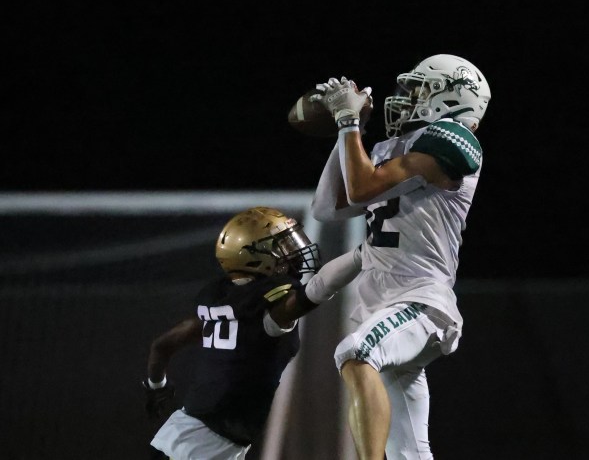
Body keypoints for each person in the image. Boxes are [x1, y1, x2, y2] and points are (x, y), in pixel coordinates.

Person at [309, 54, 492, 460]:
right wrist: (346, 132)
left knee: (356, 353)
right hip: (384, 305)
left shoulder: (452, 139)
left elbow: (359, 190)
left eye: (418, 91)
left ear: (452, 99)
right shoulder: (391, 148)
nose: (404, 99)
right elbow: (329, 207)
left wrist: (347, 122)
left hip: (421, 301)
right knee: (412, 452)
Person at [142, 206, 361, 460]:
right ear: (253, 256)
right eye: (282, 246)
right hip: (205, 447)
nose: (293, 252)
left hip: (184, 434)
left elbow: (162, 345)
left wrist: (156, 385)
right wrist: (362, 254)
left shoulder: (223, 308)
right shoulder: (269, 312)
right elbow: (316, 290)